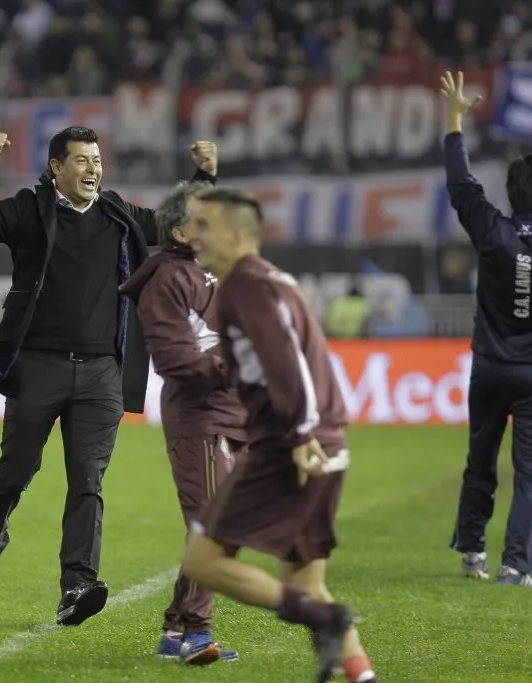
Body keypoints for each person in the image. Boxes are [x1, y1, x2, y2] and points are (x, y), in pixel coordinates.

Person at [0, 126, 218, 625]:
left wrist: (203, 177)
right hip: (36, 368)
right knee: (15, 473)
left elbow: (177, 224)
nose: (93, 169)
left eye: (97, 160)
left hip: (101, 374)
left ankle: (77, 584)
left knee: (88, 480)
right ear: (56, 168)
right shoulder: (29, 210)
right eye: (82, 161)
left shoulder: (119, 216)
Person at [180, 187, 379, 683]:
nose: (193, 237)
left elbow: (286, 361)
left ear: (239, 234)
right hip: (322, 445)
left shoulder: (248, 286)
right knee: (306, 584)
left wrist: (301, 431)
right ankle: (362, 674)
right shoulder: (267, 282)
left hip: (291, 448)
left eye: (204, 226)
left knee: (203, 560)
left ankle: (324, 620)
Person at [440, 71, 532, 589]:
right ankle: (515, 567)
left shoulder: (492, 230)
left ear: (511, 193)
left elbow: (460, 185)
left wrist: (454, 120)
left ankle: (472, 553)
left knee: (480, 463)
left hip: (489, 368)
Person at [119, 181, 245, 664]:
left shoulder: (214, 268)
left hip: (236, 411)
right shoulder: (168, 280)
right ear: (178, 232)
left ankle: (175, 629)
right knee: (213, 522)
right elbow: (174, 359)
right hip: (201, 413)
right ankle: (196, 631)